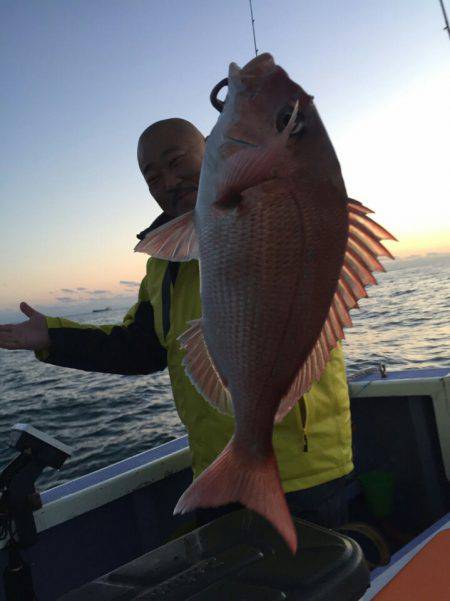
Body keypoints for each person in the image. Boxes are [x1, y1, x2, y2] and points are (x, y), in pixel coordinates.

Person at [0, 118, 353, 529]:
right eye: (152, 176)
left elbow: (312, 186)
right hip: (219, 471)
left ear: (211, 149)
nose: (168, 180)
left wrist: (281, 123)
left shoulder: (274, 210)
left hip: (304, 474)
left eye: (177, 161)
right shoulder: (163, 263)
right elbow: (141, 347)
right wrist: (53, 337)